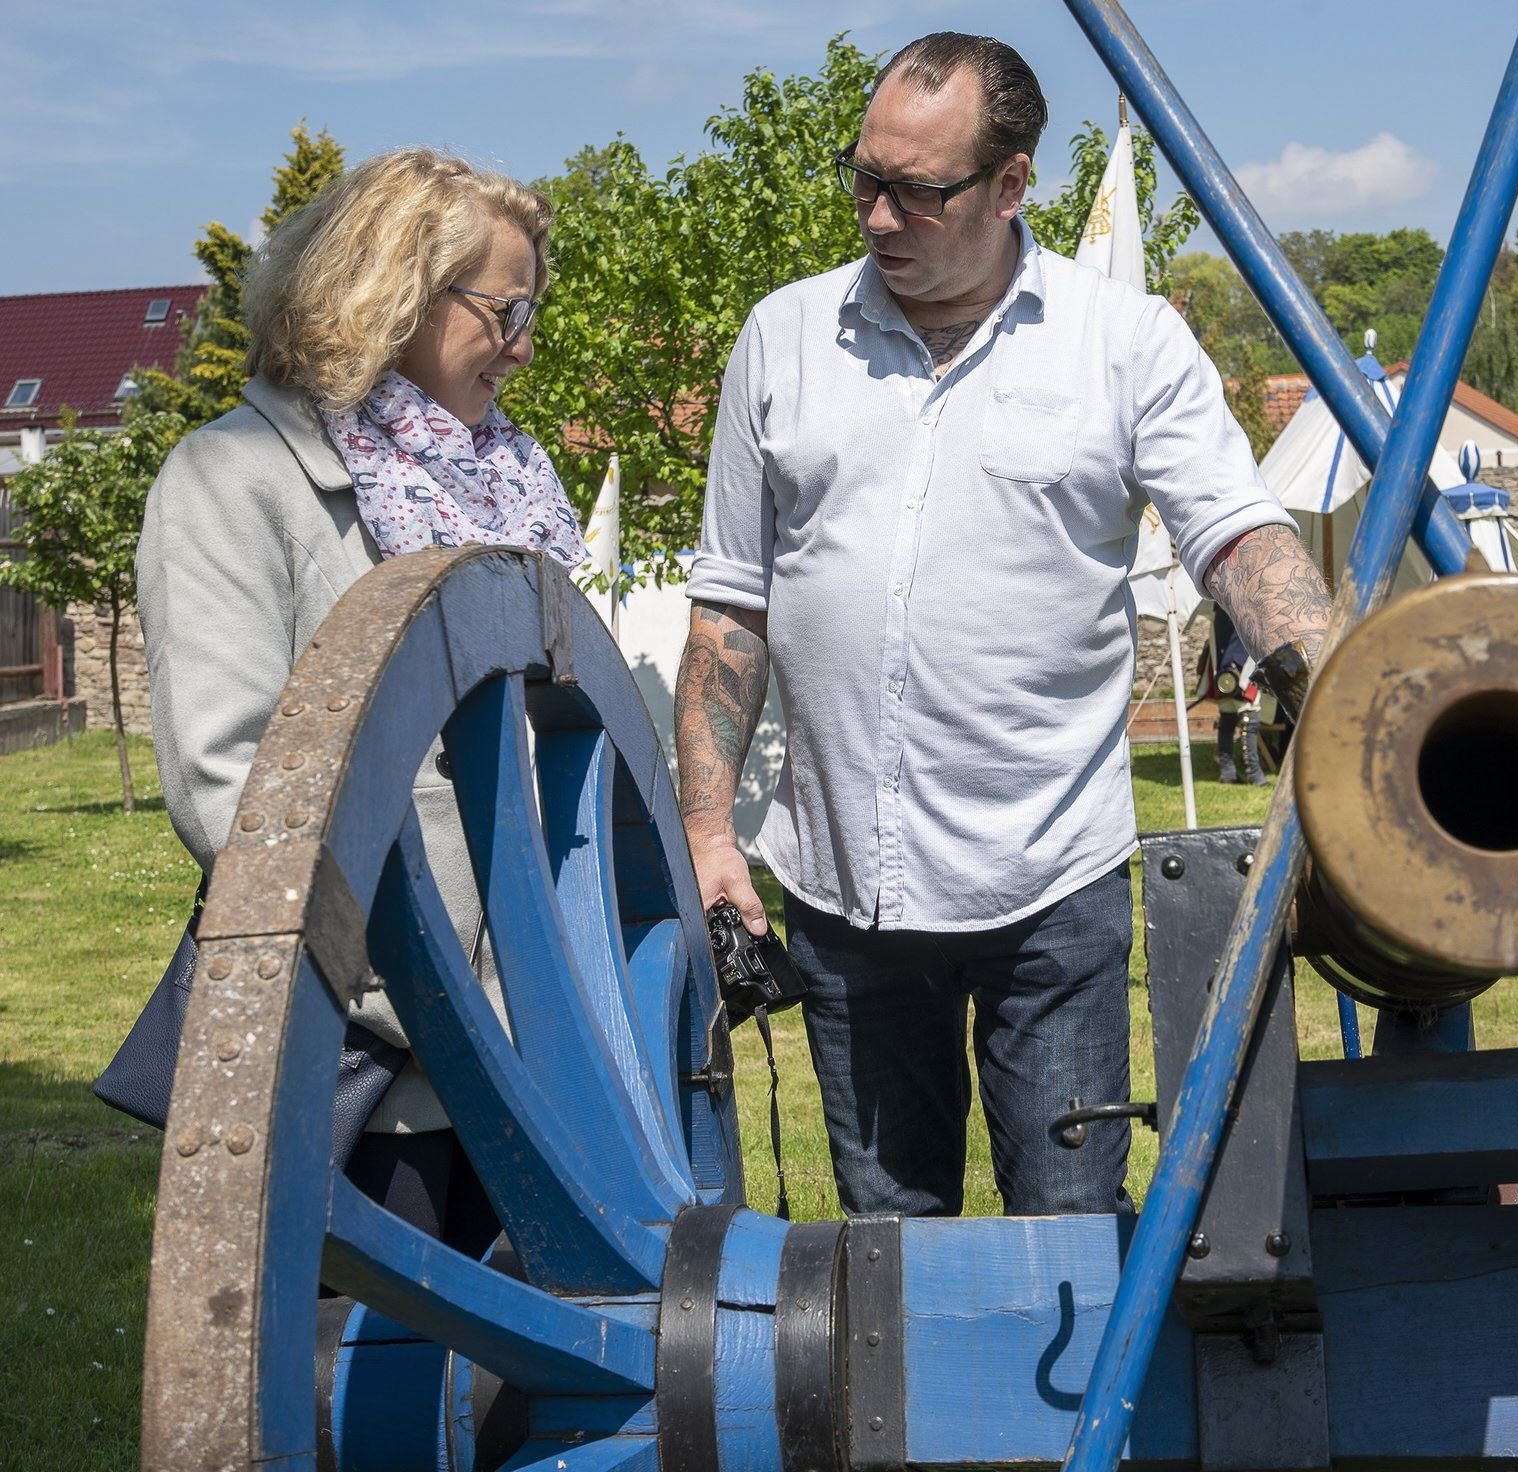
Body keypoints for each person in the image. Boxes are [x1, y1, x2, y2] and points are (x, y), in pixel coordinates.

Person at [675, 33, 1332, 1218]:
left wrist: (1334, 686)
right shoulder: (782, 338)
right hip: (842, 895)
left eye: (918, 192)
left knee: (1071, 1241)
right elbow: (731, 609)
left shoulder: (1123, 343)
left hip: (1049, 884)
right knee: (889, 1254)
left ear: (1011, 184)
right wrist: (711, 833)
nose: (878, 216)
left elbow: (1236, 534)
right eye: (864, 177)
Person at [136, 148, 579, 1248]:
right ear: (393, 292)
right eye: (504, 311)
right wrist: (418, 999)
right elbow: (228, 780)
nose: (521, 349)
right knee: (375, 1394)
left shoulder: (506, 477)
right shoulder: (233, 479)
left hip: (544, 1034)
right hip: (377, 1050)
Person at [1209, 608, 1268, 786]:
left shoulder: (1219, 611)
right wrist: (1234, 666)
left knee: (1227, 720)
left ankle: (1228, 772)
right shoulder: (1242, 611)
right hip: (1238, 672)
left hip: (1224, 672)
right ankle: (1253, 774)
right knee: (1249, 721)